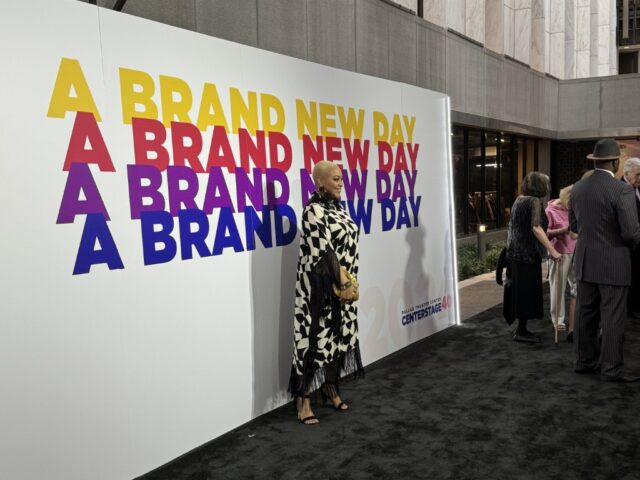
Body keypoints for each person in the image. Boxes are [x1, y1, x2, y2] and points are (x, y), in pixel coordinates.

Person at [289, 160, 364, 424]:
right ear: (319, 181)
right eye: (334, 178)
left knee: (340, 340)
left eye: (341, 178)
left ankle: (330, 387)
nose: (340, 183)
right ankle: (303, 401)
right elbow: (324, 251)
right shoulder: (312, 211)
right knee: (313, 344)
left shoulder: (339, 210)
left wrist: (348, 286)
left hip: (344, 290)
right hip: (318, 291)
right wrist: (343, 284)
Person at [569, 139, 640, 382]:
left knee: (585, 314)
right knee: (612, 316)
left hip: (586, 261)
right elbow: (631, 232)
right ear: (615, 162)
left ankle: (584, 361)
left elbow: (574, 226)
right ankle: (611, 368)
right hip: (614, 263)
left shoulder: (577, 188)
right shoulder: (622, 190)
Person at [505, 172, 561, 343]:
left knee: (521, 293)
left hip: (516, 254)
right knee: (527, 293)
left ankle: (521, 329)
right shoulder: (534, 201)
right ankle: (521, 332)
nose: (548, 186)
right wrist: (552, 250)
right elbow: (536, 227)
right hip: (527, 255)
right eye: (546, 183)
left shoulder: (519, 199)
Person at [546, 185, 577, 340]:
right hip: (559, 254)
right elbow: (545, 234)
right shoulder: (550, 210)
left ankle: (574, 323)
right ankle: (558, 322)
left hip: (577, 253)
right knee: (558, 288)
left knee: (577, 289)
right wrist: (563, 230)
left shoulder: (573, 208)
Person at [621, 157, 640, 318]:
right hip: (625, 243)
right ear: (626, 173)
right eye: (637, 174)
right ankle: (628, 308)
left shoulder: (638, 188)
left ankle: (634, 306)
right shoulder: (619, 189)